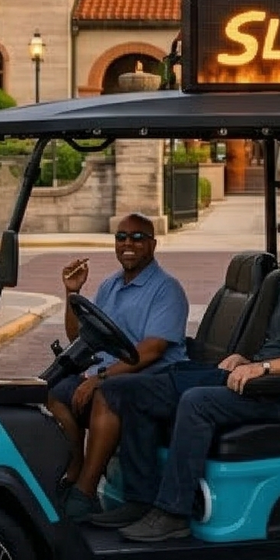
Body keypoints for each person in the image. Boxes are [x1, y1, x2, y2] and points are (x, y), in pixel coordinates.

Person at [91, 209, 280, 542]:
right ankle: (140, 500)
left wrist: (263, 368)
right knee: (132, 390)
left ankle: (173, 513)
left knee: (196, 401)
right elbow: (270, 346)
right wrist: (246, 359)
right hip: (254, 383)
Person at [54, 215, 190, 522]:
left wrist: (100, 377)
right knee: (55, 391)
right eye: (121, 237)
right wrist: (72, 294)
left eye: (138, 237)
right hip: (113, 373)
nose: (128, 243)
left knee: (110, 392)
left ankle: (85, 492)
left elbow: (153, 349)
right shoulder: (110, 285)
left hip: (155, 378)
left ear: (153, 244)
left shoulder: (167, 289)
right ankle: (74, 474)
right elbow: (79, 337)